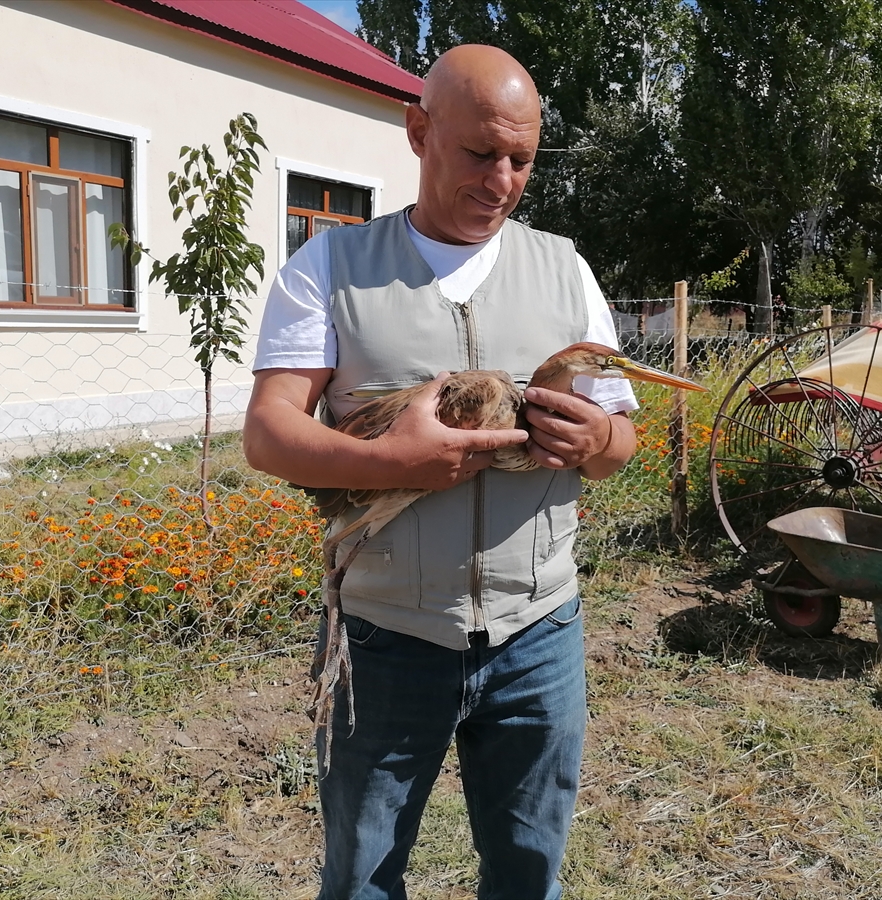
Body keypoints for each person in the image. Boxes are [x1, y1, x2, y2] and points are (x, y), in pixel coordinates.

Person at [243, 44, 640, 900]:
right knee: (361, 875)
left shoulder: (567, 271)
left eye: (522, 160)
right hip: (387, 638)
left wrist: (593, 442)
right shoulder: (330, 270)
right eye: (480, 152)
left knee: (529, 869)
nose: (501, 180)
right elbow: (269, 433)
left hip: (540, 633)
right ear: (418, 132)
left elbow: (621, 442)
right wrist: (388, 463)